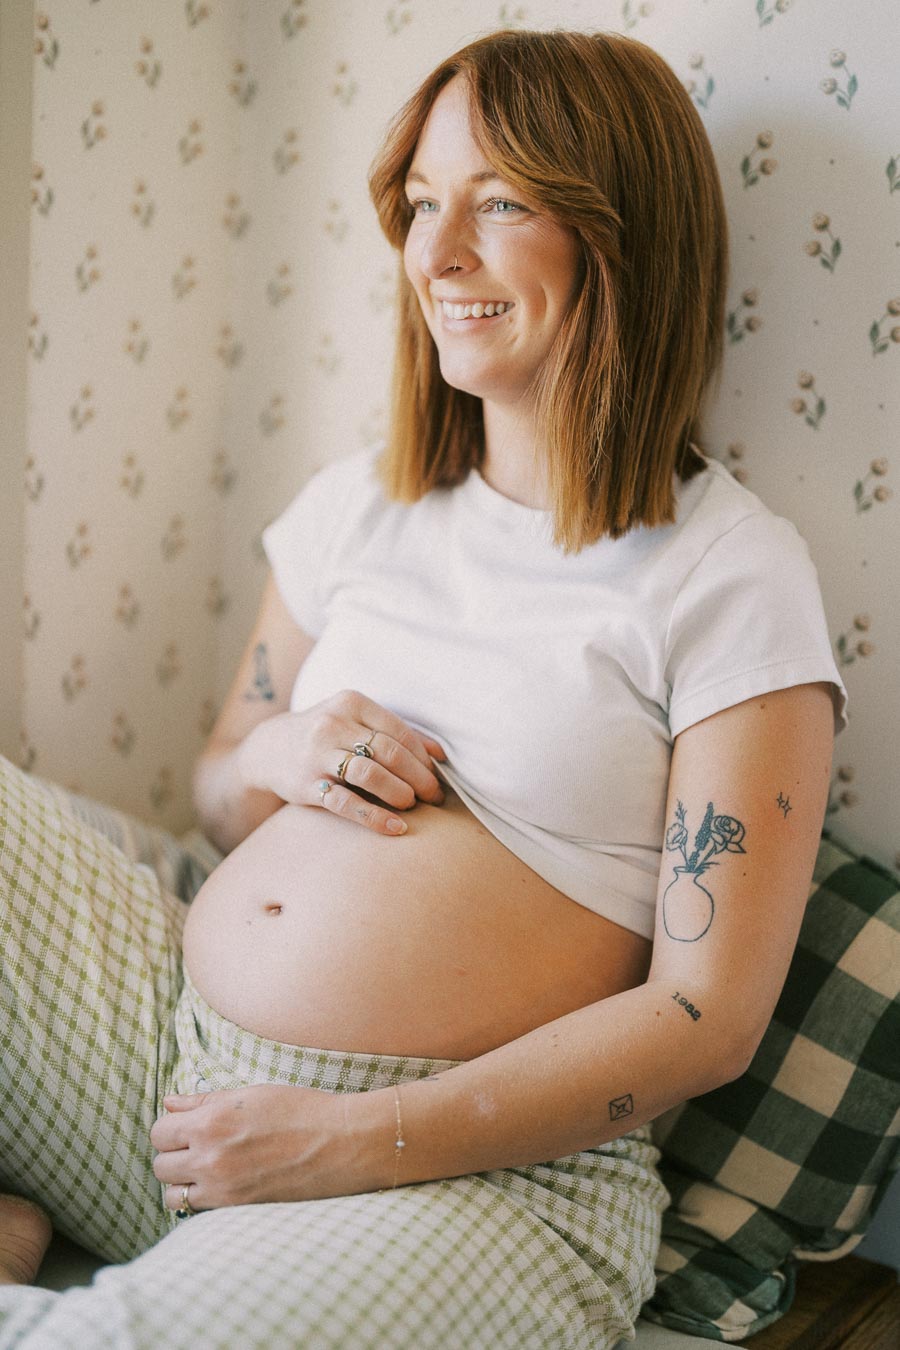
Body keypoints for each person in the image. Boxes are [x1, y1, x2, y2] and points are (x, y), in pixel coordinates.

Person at [0, 27, 847, 1350]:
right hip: (176, 1076)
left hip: (478, 1178)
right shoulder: (361, 506)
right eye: (420, 201)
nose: (435, 253)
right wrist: (283, 754)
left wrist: (341, 1143)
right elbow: (217, 784)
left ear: (623, 235)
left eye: (499, 201)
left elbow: (704, 1016)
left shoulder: (729, 576)